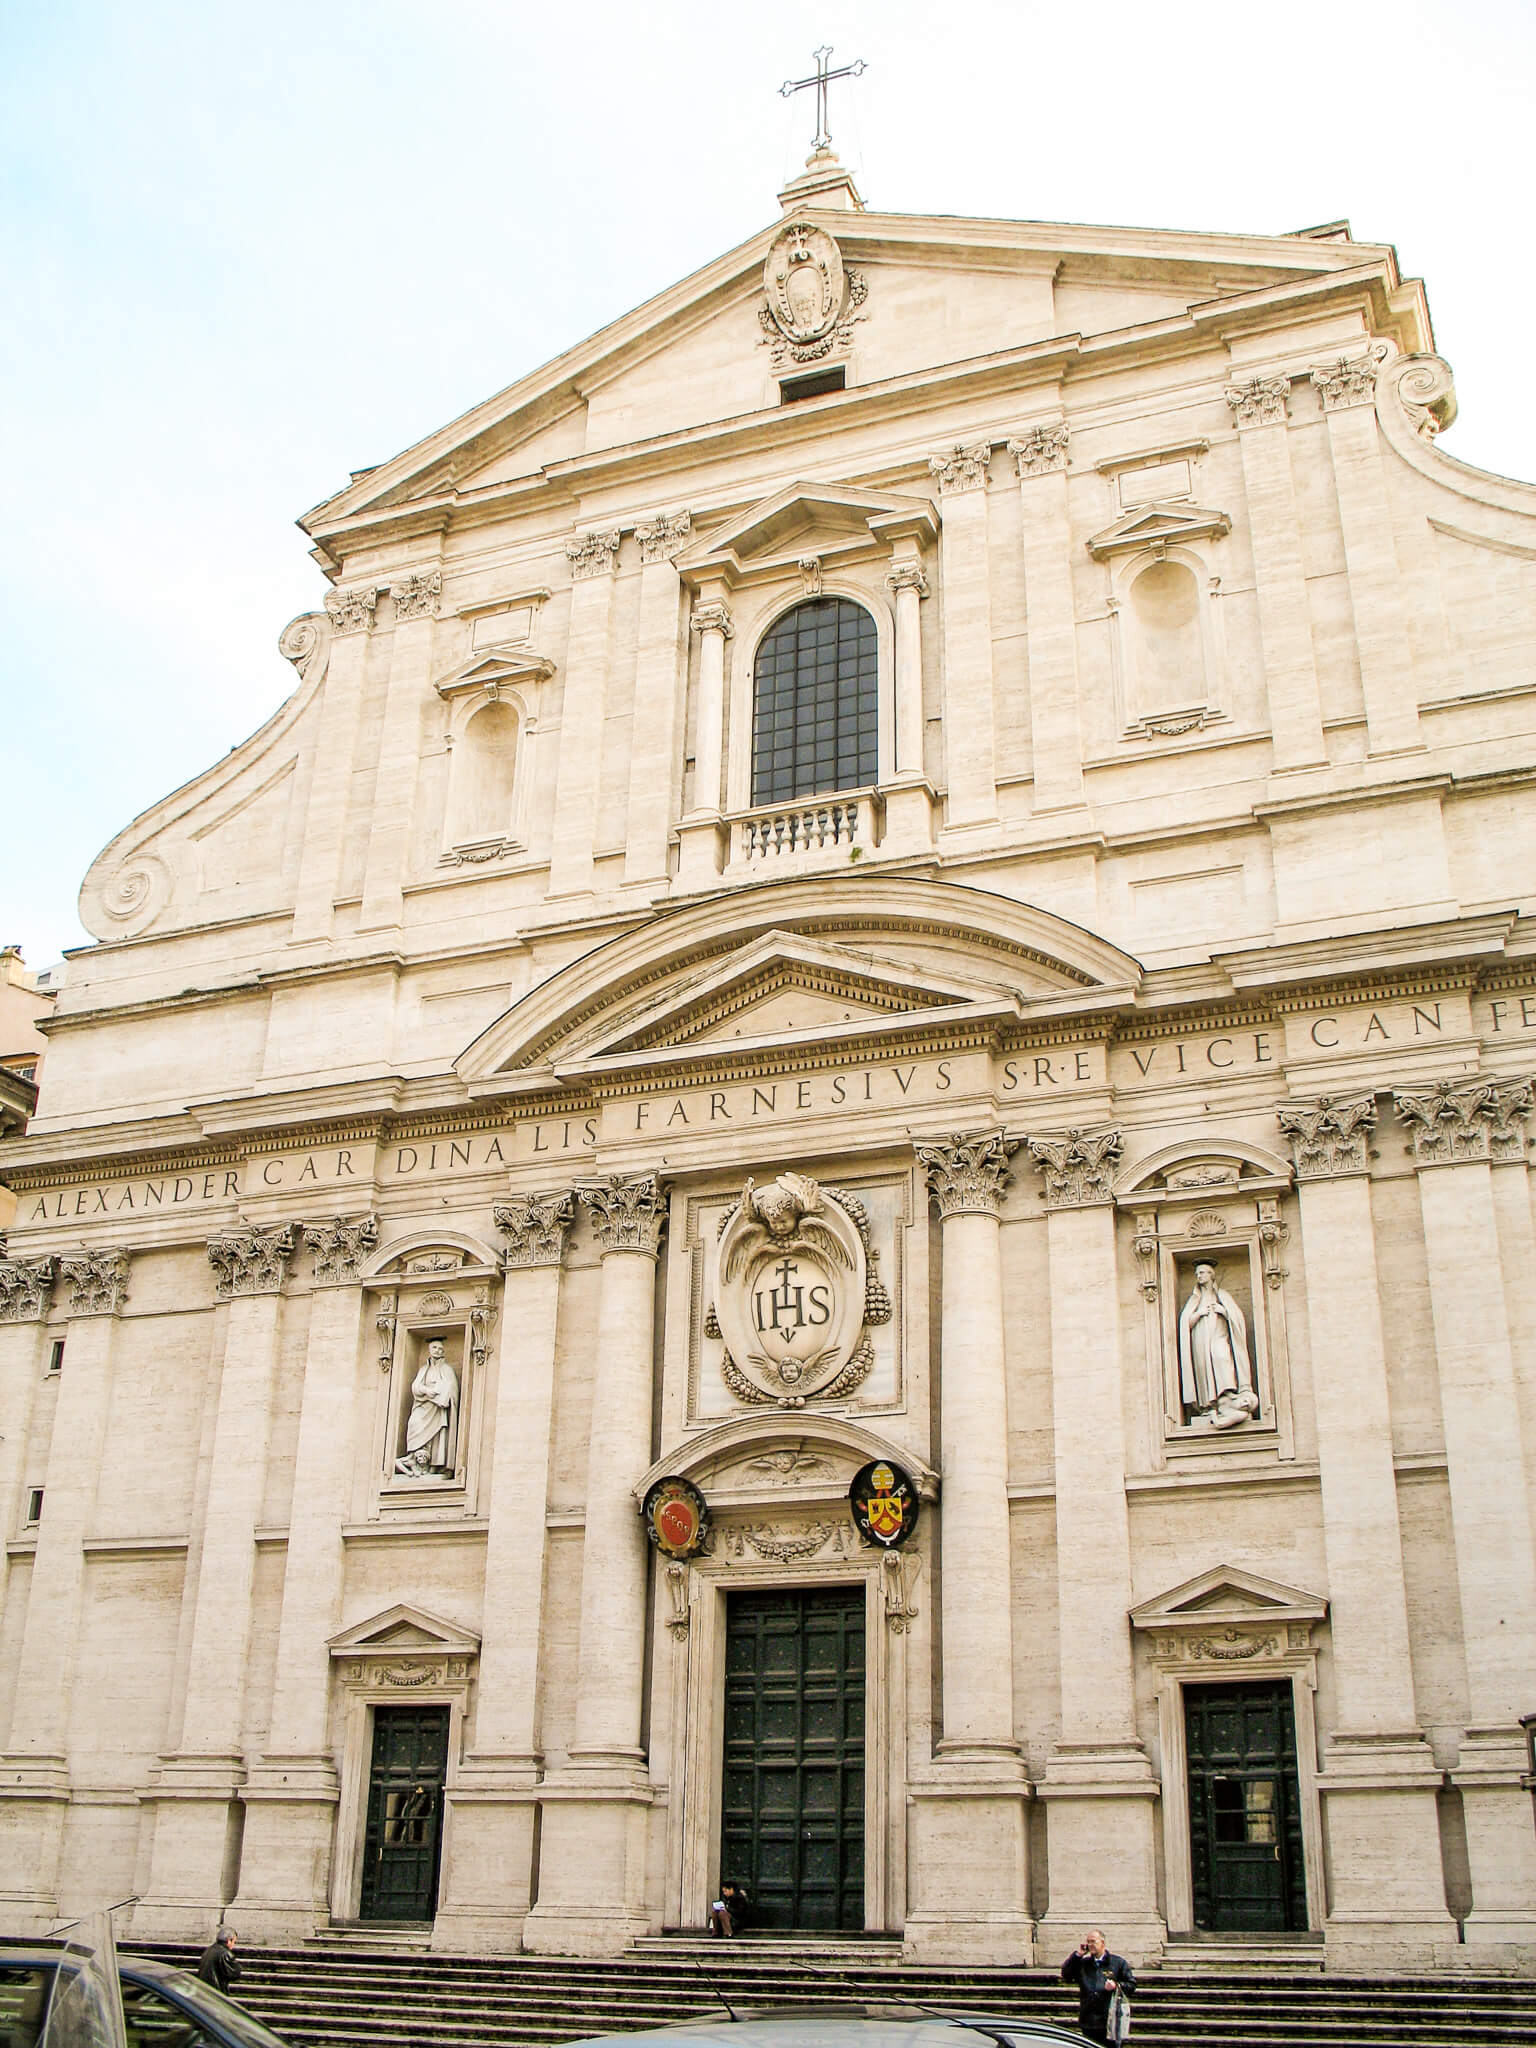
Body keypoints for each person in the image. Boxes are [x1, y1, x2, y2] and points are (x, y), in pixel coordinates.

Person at [1177, 1261, 1258, 1429]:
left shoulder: (1222, 1295)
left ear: (1211, 1275)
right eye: (1198, 1273)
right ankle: (1208, 1404)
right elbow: (1186, 1324)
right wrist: (1198, 1314)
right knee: (1204, 1367)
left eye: (1203, 1272)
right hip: (1200, 1341)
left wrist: (1224, 1312)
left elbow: (1236, 1319)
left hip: (1219, 1336)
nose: (1199, 1276)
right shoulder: (1195, 1300)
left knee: (1221, 1357)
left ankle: (1228, 1392)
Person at [394, 1340, 460, 1475]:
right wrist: (426, 1391)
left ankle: (432, 1467)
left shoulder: (447, 1370)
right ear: (429, 1350)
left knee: (437, 1436)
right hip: (422, 1405)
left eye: (440, 1348)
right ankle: (413, 1458)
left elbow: (451, 1390)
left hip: (438, 1409)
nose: (437, 1350)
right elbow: (415, 1387)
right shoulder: (424, 1369)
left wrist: (440, 1395)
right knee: (414, 1423)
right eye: (434, 1347)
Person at [1061, 1928, 1134, 2045]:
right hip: (1089, 2019)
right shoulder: (1083, 1964)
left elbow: (1131, 1985)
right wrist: (1077, 1955)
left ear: (1103, 1943)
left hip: (1110, 2019)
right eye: (1088, 1942)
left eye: (1093, 1941)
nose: (1090, 1945)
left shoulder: (1117, 1963)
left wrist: (1116, 1986)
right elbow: (1066, 1975)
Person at [196, 1927, 241, 1994]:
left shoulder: (209, 1950)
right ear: (229, 1941)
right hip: (216, 1991)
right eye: (234, 1942)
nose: (233, 1945)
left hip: (205, 1990)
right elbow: (235, 1973)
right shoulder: (225, 1954)